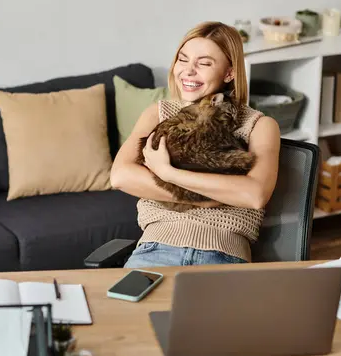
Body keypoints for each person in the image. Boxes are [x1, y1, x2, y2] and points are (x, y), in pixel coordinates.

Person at [110, 21, 281, 268]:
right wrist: (206, 199)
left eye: (204, 63)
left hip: (224, 255)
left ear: (229, 73)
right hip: (155, 249)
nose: (188, 71)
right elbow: (121, 176)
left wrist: (167, 173)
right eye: (183, 59)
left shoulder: (259, 125)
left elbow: (254, 194)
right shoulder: (158, 114)